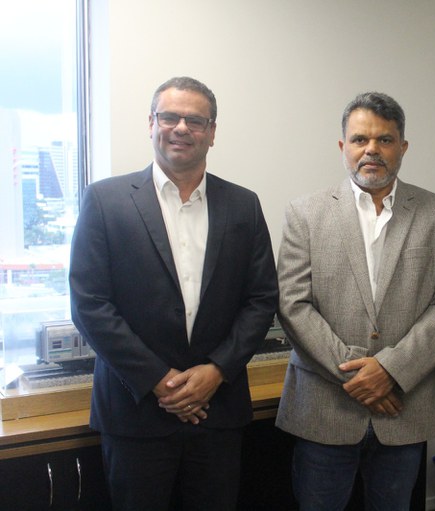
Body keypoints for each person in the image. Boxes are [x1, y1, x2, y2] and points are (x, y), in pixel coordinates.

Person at [69, 76, 278, 511]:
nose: (181, 127)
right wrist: (159, 381)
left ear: (212, 132)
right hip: (135, 412)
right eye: (170, 116)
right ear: (151, 123)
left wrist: (216, 371)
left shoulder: (243, 205)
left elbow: (261, 300)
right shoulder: (105, 201)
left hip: (217, 412)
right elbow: (90, 303)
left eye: (195, 120)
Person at [275, 91, 435, 510]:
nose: (372, 150)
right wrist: (359, 377)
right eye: (361, 139)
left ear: (402, 147)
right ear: (343, 147)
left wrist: (391, 370)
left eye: (384, 140)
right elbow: (293, 304)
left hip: (405, 406)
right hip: (324, 407)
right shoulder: (304, 214)